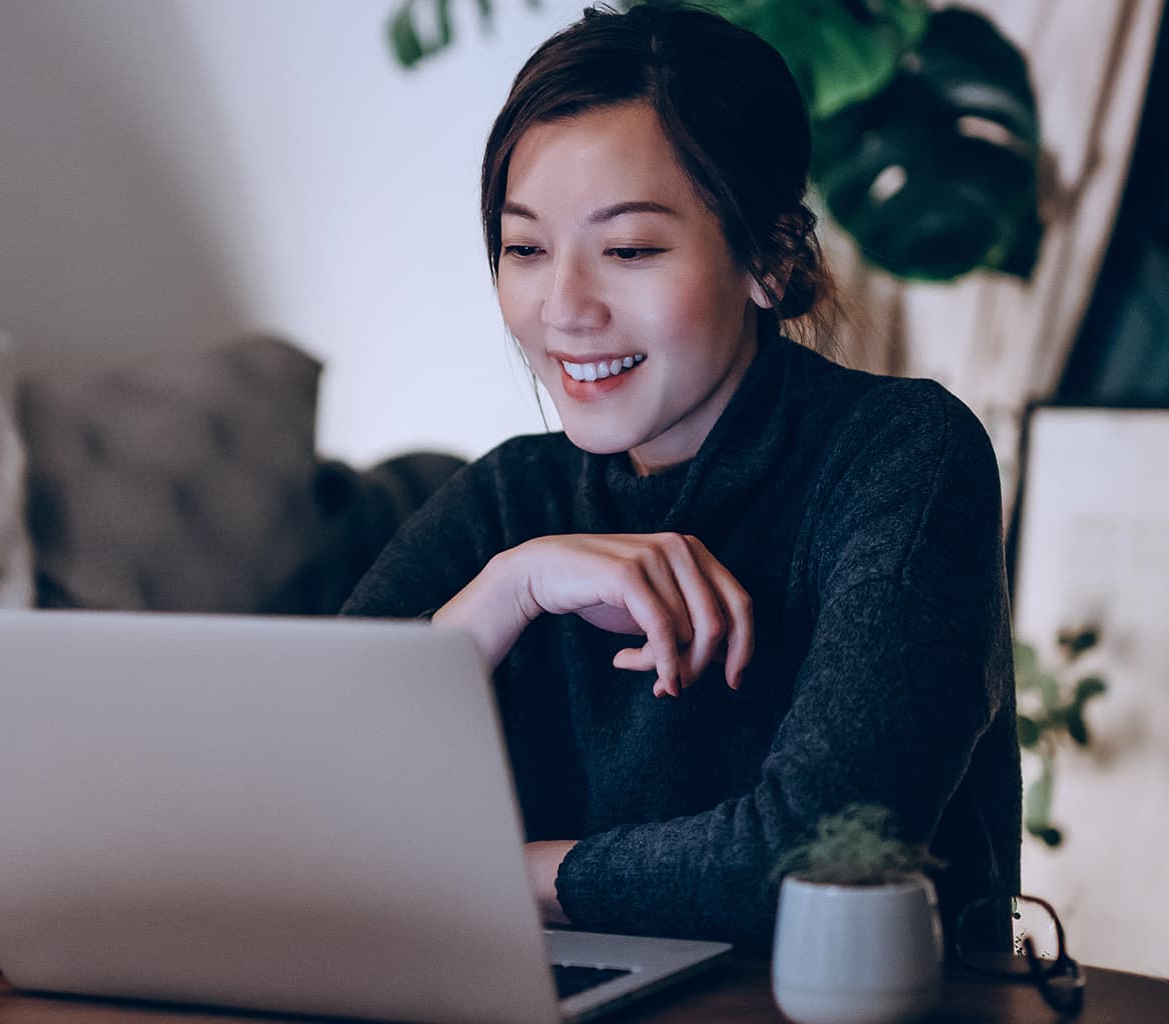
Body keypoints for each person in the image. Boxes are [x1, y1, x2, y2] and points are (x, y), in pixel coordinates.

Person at [341, 3, 1019, 950]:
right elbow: (302, 794)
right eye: (525, 248)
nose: (565, 309)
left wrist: (491, 873)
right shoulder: (509, 502)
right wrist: (511, 590)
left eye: (629, 250)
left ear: (770, 259)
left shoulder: (904, 457)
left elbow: (819, 859)